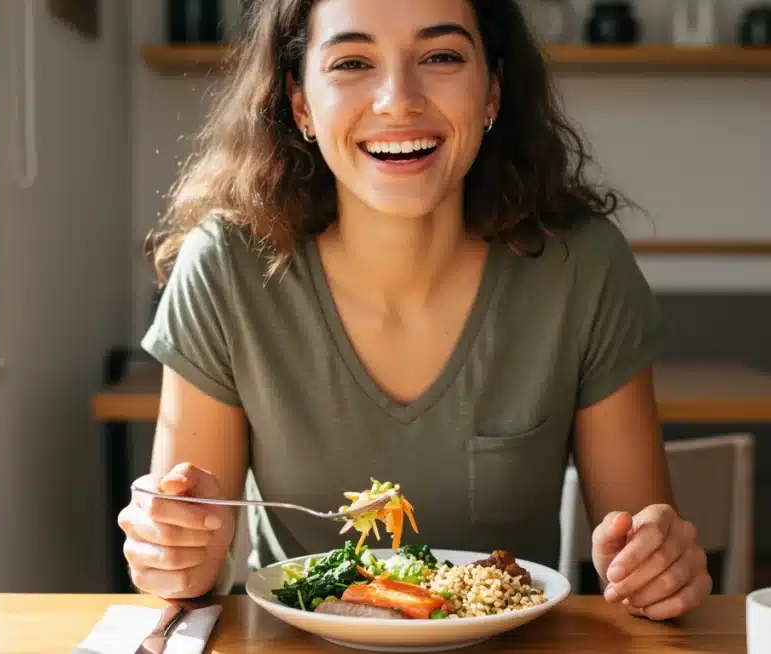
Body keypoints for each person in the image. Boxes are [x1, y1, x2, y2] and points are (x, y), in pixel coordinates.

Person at [118, 0, 712, 621]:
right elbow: (187, 576)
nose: (398, 100)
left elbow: (641, 558)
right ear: (301, 104)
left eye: (441, 56)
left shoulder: (583, 268)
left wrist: (657, 566)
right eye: (352, 62)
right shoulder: (225, 268)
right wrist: (173, 549)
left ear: (492, 91)